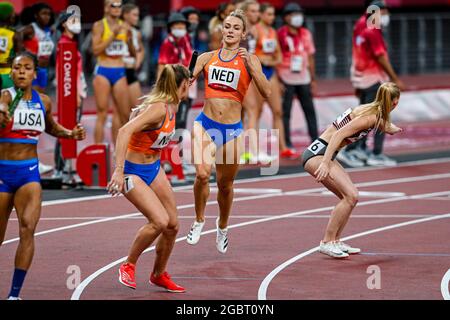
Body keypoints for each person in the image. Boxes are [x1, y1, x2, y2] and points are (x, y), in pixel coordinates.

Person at [0, 52, 85, 300]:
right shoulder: (5, 96)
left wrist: (70, 134)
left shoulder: (43, 101)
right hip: (3, 172)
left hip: (28, 173)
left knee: (28, 229)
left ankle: (14, 295)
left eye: (27, 68)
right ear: (11, 73)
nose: (22, 72)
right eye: (17, 68)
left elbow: (50, 126)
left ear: (35, 73)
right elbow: (2, 107)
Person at [186, 10, 271, 253]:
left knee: (225, 185)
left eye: (236, 27)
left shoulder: (250, 59)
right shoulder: (206, 58)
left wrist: (254, 69)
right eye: (227, 26)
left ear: (243, 33)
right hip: (205, 124)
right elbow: (184, 83)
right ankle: (199, 220)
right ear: (221, 30)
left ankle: (222, 226)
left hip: (232, 130)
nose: (231, 30)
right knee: (202, 175)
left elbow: (267, 91)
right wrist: (184, 76)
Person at [108, 64, 190, 292]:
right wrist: (118, 170)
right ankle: (128, 265)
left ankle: (158, 274)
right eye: (188, 84)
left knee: (173, 225)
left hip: (153, 168)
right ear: (181, 85)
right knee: (159, 221)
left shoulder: (174, 104)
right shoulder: (158, 109)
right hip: (132, 171)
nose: (191, 87)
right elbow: (124, 131)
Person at [302, 82, 402, 259]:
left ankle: (336, 240)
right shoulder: (370, 117)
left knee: (349, 198)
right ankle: (326, 242)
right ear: (395, 102)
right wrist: (325, 163)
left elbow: (384, 124)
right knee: (351, 196)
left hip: (324, 153)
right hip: (319, 154)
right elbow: (338, 135)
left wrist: (392, 128)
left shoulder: (372, 112)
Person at [338, 0, 405, 168]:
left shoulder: (361, 26)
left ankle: (356, 148)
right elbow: (380, 56)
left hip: (365, 78)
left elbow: (357, 55)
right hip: (374, 79)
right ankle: (373, 153)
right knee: (381, 114)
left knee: (365, 116)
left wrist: (357, 81)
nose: (386, 16)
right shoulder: (371, 30)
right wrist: (395, 78)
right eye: (384, 12)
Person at [246, 2, 297, 161]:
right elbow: (251, 55)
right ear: (261, 15)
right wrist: (265, 59)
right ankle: (253, 150)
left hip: (271, 73)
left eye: (273, 14)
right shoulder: (254, 31)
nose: (271, 17)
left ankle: (282, 147)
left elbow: (279, 56)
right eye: (268, 14)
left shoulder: (273, 31)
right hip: (258, 73)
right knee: (256, 112)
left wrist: (270, 60)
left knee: (278, 111)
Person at [91, 0, 135, 145]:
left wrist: (129, 40)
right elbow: (95, 50)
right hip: (103, 70)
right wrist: (112, 35)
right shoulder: (99, 25)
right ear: (106, 8)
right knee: (102, 113)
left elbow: (133, 53)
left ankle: (121, 150)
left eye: (119, 5)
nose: (117, 8)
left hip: (119, 70)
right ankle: (97, 151)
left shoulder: (125, 26)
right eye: (113, 5)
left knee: (123, 114)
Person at [277, 3, 318, 150]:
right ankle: (287, 143)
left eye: (299, 14)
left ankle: (315, 140)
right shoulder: (280, 34)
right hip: (286, 78)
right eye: (294, 15)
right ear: (286, 17)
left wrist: (313, 79)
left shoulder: (306, 33)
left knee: (310, 110)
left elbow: (311, 57)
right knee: (286, 112)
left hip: (304, 78)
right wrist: (278, 80)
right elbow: (276, 57)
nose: (298, 18)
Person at [157, 12, 194, 175]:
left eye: (182, 26)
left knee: (181, 124)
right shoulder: (167, 43)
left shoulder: (185, 40)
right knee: (172, 125)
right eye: (176, 26)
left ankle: (176, 160)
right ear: (171, 28)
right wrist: (161, 89)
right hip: (173, 89)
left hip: (185, 87)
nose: (180, 28)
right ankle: (171, 160)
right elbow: (162, 66)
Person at [53, 10, 88, 180]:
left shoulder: (72, 44)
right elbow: (65, 74)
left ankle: (67, 167)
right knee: (66, 128)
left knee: (70, 127)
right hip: (71, 94)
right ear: (64, 24)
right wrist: (73, 95)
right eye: (73, 20)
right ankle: (61, 168)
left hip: (77, 91)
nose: (78, 24)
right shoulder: (64, 45)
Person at [21, 2, 55, 94]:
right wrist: (25, 51)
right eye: (43, 13)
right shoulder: (31, 29)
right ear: (36, 15)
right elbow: (15, 37)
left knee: (41, 99)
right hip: (32, 70)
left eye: (48, 14)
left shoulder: (49, 30)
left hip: (43, 70)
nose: (47, 16)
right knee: (35, 100)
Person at [122, 3, 144, 108]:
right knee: (121, 109)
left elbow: (140, 49)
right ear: (125, 15)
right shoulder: (117, 30)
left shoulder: (136, 33)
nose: (137, 18)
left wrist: (138, 62)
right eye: (134, 15)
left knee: (136, 107)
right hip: (120, 71)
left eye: (138, 15)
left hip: (131, 71)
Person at [0, 2, 23, 90]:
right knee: (8, 102)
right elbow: (19, 57)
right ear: (8, 16)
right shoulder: (14, 34)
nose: (14, 16)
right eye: (12, 13)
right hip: (7, 75)